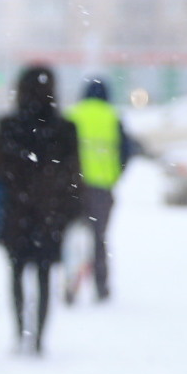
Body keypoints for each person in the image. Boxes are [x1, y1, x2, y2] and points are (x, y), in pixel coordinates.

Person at [0, 62, 81, 354]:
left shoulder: (8, 125)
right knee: (44, 275)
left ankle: (19, 331)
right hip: (50, 214)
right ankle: (38, 337)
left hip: (16, 214)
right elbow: (75, 176)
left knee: (16, 273)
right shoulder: (65, 128)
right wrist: (71, 212)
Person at [63, 75, 141, 304]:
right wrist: (115, 174)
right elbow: (126, 152)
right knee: (99, 238)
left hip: (73, 186)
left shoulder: (73, 115)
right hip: (102, 188)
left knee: (71, 236)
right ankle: (101, 285)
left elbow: (61, 150)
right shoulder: (113, 118)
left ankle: (70, 282)